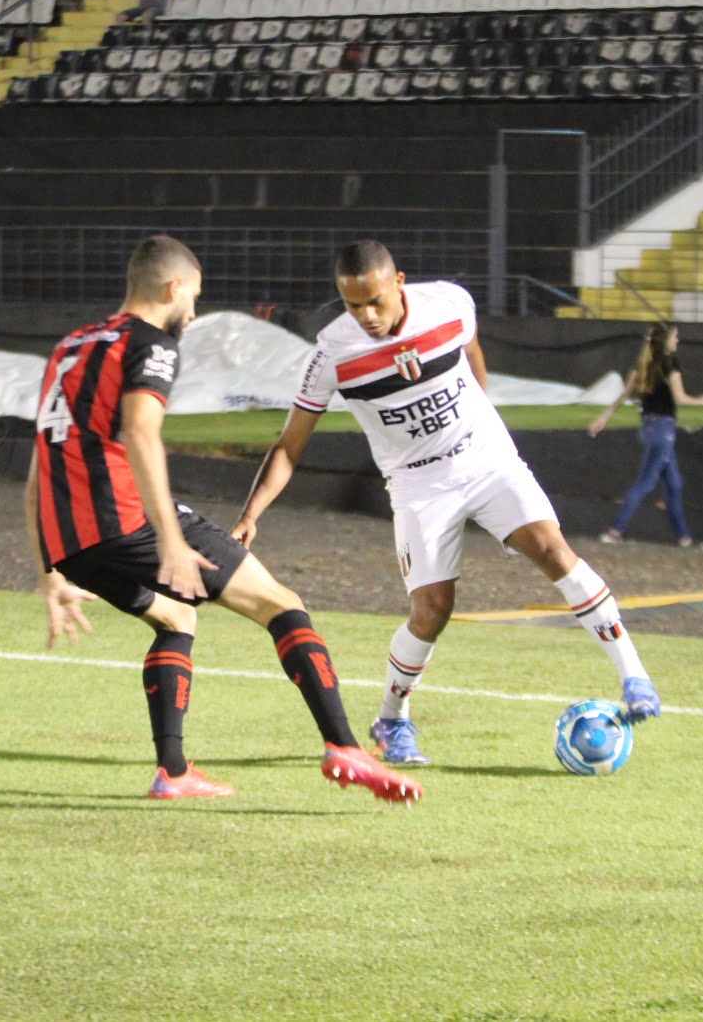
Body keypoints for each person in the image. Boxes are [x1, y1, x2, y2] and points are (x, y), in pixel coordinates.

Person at [230, 240, 660, 766]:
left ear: (399, 282)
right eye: (351, 304)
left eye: (375, 301)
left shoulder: (450, 305)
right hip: (418, 485)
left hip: (486, 459)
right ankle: (391, 720)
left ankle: (634, 678)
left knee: (551, 548)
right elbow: (289, 445)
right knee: (433, 610)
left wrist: (481, 420)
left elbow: (472, 355)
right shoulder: (333, 355)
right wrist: (251, 514)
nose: (365, 315)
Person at [24, 234, 420, 804]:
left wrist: (50, 571)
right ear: (174, 287)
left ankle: (173, 773)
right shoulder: (152, 344)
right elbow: (140, 434)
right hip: (124, 521)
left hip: (72, 541)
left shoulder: (72, 345)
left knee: (175, 619)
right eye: (194, 297)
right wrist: (169, 541)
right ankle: (345, 749)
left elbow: (41, 457)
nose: (193, 311)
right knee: (281, 605)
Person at [588, 322, 703, 548]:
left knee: (674, 484)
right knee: (645, 483)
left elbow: (625, 393)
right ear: (665, 340)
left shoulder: (643, 363)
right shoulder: (670, 363)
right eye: (675, 337)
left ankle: (684, 539)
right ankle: (615, 530)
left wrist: (603, 417)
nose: (677, 341)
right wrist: (702, 401)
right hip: (663, 431)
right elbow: (680, 398)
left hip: (648, 428)